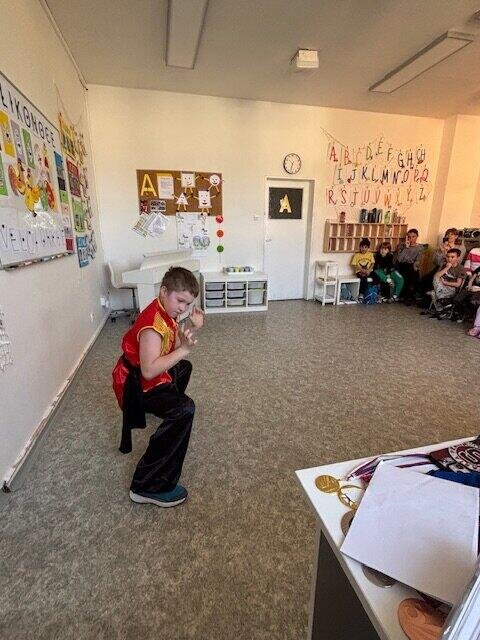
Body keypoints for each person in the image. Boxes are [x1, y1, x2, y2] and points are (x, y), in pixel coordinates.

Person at [112, 267, 204, 508]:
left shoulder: (165, 312)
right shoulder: (152, 325)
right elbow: (149, 371)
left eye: (188, 304)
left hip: (147, 377)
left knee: (184, 368)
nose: (183, 308)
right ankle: (146, 486)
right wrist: (184, 349)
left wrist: (191, 328)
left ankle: (168, 413)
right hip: (135, 387)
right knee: (184, 409)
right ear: (164, 291)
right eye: (180, 301)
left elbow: (171, 347)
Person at [429, 248, 466, 316]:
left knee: (434, 293)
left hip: (451, 290)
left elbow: (458, 284)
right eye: (448, 257)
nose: (449, 259)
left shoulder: (460, 268)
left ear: (458, 258)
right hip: (440, 288)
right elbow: (436, 276)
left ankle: (442, 306)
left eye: (452, 257)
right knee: (433, 292)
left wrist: (445, 283)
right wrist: (447, 267)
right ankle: (442, 309)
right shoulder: (444, 265)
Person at [395, 228, 423, 304]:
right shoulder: (401, 245)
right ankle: (408, 296)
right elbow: (399, 259)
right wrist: (406, 248)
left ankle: (410, 295)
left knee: (414, 273)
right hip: (401, 264)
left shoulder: (419, 247)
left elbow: (418, 260)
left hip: (412, 265)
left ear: (417, 237)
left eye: (413, 237)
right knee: (408, 272)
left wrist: (415, 265)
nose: (411, 239)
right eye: (409, 237)